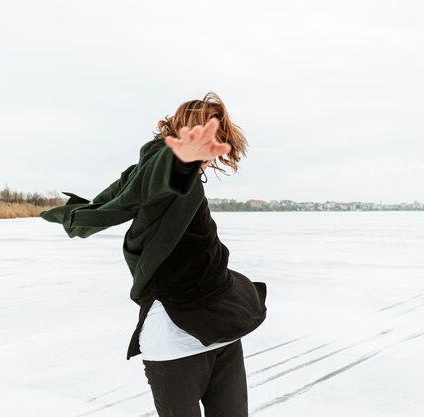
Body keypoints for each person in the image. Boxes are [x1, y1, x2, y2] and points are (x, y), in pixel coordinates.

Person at [40, 92, 267, 417]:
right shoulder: (164, 168)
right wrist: (181, 163)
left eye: (215, 140)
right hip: (175, 339)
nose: (209, 153)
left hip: (222, 327)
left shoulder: (153, 173)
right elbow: (158, 178)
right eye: (203, 139)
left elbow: (118, 194)